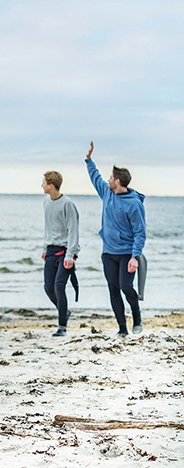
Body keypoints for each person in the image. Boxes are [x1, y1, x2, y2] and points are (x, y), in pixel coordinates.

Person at [85, 142, 146, 336]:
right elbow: (95, 177)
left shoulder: (134, 204)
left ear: (117, 182)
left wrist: (135, 256)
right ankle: (122, 328)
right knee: (113, 288)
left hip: (127, 253)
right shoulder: (107, 193)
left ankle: (137, 316)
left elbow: (140, 232)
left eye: (111, 178)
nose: (108, 180)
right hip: (108, 253)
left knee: (126, 287)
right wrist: (88, 160)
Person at [41, 170, 79, 336]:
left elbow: (73, 230)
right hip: (50, 250)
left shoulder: (67, 204)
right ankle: (64, 311)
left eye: (43, 182)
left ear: (51, 185)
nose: (41, 185)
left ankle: (62, 327)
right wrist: (44, 248)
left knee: (59, 286)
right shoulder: (45, 202)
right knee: (48, 288)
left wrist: (70, 255)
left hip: (65, 252)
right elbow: (47, 227)